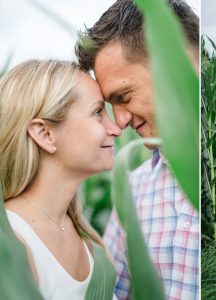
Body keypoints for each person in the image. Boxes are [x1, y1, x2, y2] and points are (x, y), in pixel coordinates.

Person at [75, 0, 199, 299]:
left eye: (124, 96)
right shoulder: (132, 189)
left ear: (176, 62)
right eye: (108, 106)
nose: (120, 122)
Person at [0, 60, 121, 299]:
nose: (116, 128)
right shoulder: (11, 243)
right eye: (97, 112)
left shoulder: (85, 236)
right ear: (45, 134)